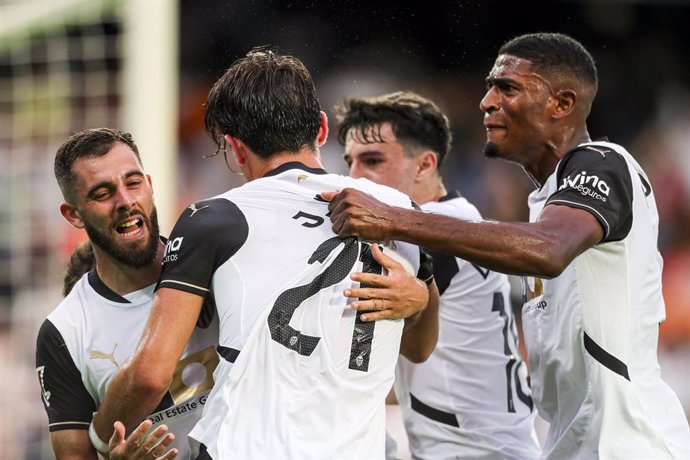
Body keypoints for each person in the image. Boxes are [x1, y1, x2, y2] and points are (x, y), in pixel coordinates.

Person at [324, 32, 690, 459]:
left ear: (562, 104)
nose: (486, 101)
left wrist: (395, 219)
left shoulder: (602, 162)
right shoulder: (543, 205)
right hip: (572, 443)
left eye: (508, 87)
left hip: (628, 443)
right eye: (489, 87)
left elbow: (548, 249)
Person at [90, 47, 439, 460]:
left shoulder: (215, 218)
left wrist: (97, 437)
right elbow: (420, 348)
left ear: (236, 149)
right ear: (323, 129)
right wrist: (417, 302)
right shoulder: (398, 211)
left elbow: (150, 375)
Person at [334, 90, 541, 459]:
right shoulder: (458, 220)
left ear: (425, 165)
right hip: (488, 444)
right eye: (349, 162)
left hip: (473, 450)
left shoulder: (441, 230)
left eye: (373, 160)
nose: (355, 176)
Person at [36, 127, 220, 459]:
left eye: (133, 183)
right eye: (103, 193)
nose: (125, 201)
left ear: (149, 185)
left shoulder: (216, 265)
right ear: (73, 214)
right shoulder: (64, 332)